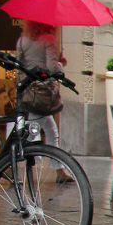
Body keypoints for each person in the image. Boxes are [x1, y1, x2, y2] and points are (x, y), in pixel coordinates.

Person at [15, 20, 70, 180]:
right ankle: (13, 167)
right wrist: (61, 64)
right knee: (30, 132)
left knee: (50, 130)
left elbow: (20, 65)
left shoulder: (22, 41)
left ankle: (59, 171)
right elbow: (52, 68)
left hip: (28, 90)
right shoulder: (48, 39)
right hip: (43, 91)